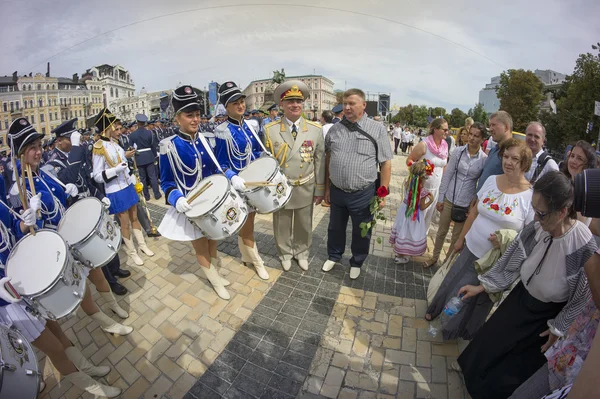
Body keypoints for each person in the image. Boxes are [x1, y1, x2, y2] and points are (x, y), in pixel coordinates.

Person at [457, 171, 597, 399]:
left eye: (541, 214)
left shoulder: (581, 245)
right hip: (520, 299)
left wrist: (557, 328)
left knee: (512, 369)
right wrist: (484, 285)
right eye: (534, 210)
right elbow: (512, 258)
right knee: (490, 343)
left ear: (562, 212)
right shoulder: (537, 227)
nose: (536, 219)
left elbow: (580, 298)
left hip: (544, 319)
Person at [7, 117, 133, 337]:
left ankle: (113, 305)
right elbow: (22, 232)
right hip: (55, 247)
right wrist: (28, 222)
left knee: (97, 273)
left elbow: (56, 202)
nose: (38, 152)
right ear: (20, 154)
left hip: (69, 237)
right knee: (81, 289)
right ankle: (107, 324)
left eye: (38, 147)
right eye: (32, 149)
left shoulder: (41, 173)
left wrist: (67, 191)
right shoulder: (19, 188)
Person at [0, 204, 122, 397]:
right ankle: (94, 389)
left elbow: (9, 233)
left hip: (23, 282)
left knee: (58, 332)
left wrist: (23, 224)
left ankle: (87, 368)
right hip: (6, 302)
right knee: (55, 349)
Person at [425, 138, 534, 339]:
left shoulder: (529, 196)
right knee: (453, 283)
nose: (508, 162)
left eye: (515, 159)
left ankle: (454, 330)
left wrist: (505, 241)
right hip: (470, 247)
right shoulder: (492, 180)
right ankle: (437, 309)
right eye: (506, 157)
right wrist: (460, 239)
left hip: (495, 261)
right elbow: (474, 212)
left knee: (475, 298)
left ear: (525, 163)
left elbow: (527, 238)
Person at [158, 86, 232, 300]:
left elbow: (217, 168)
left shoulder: (207, 139)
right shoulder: (169, 146)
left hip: (212, 202)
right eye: (189, 115)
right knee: (200, 245)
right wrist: (176, 198)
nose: (195, 120)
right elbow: (166, 182)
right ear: (177, 118)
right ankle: (215, 280)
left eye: (198, 115)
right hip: (190, 206)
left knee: (213, 238)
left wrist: (229, 178)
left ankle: (215, 269)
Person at [44, 119, 130, 296]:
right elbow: (70, 177)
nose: (75, 139)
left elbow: (85, 179)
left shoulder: (77, 153)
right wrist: (76, 149)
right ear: (59, 141)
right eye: (70, 138)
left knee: (107, 236)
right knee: (96, 248)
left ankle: (115, 269)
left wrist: (100, 196)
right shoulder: (53, 164)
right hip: (78, 212)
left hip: (90, 203)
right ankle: (110, 282)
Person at [321, 88, 393, 280]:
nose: (347, 107)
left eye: (352, 103)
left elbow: (385, 163)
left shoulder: (376, 129)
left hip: (363, 193)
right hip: (337, 191)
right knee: (335, 227)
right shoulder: (335, 130)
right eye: (345, 103)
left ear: (363, 105)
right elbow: (328, 159)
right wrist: (327, 187)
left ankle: (357, 261)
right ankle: (334, 255)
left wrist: (382, 194)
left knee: (362, 230)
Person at [263, 80, 325, 271]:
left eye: (298, 101)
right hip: (282, 187)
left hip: (305, 185)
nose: (295, 105)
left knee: (304, 223)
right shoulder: (270, 130)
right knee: (282, 223)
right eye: (290, 101)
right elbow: (267, 163)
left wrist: (320, 188)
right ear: (282, 105)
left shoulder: (315, 130)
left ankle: (302, 252)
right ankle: (285, 253)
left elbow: (320, 160)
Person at [214, 81, 270, 280]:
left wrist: (264, 157)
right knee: (246, 224)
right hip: (237, 185)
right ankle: (257, 262)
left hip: (252, 182)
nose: (240, 106)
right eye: (235, 103)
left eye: (242, 101)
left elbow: (254, 150)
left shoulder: (250, 125)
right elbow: (219, 163)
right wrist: (232, 176)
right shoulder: (222, 131)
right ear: (226, 107)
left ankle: (246, 256)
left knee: (250, 222)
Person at [92, 108, 154, 266]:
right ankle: (132, 252)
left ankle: (142, 246)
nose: (119, 131)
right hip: (115, 190)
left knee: (135, 217)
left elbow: (123, 164)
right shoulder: (98, 147)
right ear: (108, 127)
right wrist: (115, 170)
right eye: (115, 127)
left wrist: (129, 173)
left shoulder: (115, 143)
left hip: (127, 185)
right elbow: (97, 175)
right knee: (124, 223)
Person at [427, 123, 487, 267]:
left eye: (476, 136)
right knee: (441, 231)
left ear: (482, 139)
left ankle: (446, 264)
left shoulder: (484, 159)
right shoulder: (458, 152)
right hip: (450, 198)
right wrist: (441, 198)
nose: (471, 138)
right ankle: (434, 257)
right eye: (470, 134)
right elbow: (447, 175)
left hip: (465, 203)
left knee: (456, 237)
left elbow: (481, 184)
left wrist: (473, 205)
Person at [406, 118, 449, 235]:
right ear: (435, 129)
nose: (447, 132)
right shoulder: (423, 145)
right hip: (421, 189)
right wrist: (422, 169)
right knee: (417, 217)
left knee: (428, 219)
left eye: (447, 130)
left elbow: (444, 166)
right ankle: (408, 242)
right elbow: (409, 161)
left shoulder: (445, 146)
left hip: (436, 189)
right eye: (444, 129)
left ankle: (420, 242)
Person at [389, 159, 434, 263]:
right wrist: (431, 201)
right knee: (410, 232)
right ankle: (404, 255)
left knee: (402, 230)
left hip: (404, 211)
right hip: (414, 214)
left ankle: (399, 253)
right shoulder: (422, 192)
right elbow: (422, 207)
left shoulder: (406, 183)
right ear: (423, 178)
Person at [560, 140, 598, 226]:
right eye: (572, 156)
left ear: (588, 164)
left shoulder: (587, 194)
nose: (573, 161)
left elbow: (579, 226)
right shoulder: (564, 183)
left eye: (579, 158)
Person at [476, 110, 513, 191]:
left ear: (506, 127)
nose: (490, 129)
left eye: (494, 125)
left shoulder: (512, 154)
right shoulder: (493, 150)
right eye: (490, 125)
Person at [129, 113, 162, 201]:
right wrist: (155, 155)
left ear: (137, 122)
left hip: (139, 157)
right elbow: (153, 145)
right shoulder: (149, 133)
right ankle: (157, 194)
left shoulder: (132, 135)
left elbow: (130, 148)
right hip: (149, 156)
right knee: (152, 176)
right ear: (144, 123)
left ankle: (146, 196)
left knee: (142, 178)